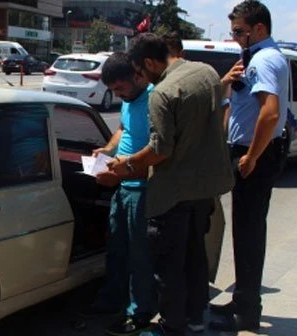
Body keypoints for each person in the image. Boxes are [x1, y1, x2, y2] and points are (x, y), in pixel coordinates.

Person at [108, 33, 234, 336]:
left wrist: (125, 165)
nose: (140, 78)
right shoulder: (206, 73)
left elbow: (160, 150)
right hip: (204, 189)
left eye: (139, 71)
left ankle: (171, 326)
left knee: (168, 267)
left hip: (173, 194)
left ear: (149, 62)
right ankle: (195, 320)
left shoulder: (162, 93)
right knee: (195, 259)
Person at [208, 1, 289, 332]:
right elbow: (240, 105)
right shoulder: (253, 58)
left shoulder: (265, 60)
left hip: (255, 154)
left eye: (240, 31)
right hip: (248, 150)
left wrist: (252, 156)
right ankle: (243, 302)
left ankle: (246, 313)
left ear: (260, 29)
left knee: (249, 233)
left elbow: (269, 113)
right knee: (246, 231)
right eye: (233, 32)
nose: (236, 38)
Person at [83, 51, 157, 336]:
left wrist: (120, 172)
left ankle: (139, 314)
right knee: (116, 250)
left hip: (142, 189)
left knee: (140, 257)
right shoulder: (128, 100)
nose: (118, 95)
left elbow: (158, 152)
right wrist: (107, 150)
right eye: (112, 90)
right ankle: (112, 300)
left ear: (137, 76)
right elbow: (123, 129)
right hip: (123, 187)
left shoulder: (154, 101)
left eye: (121, 88)